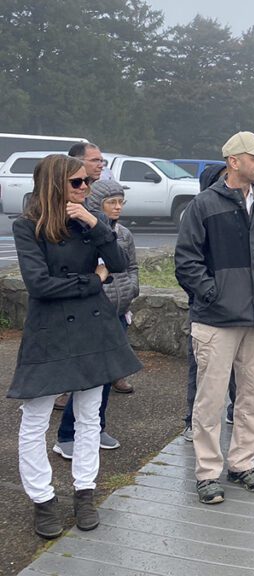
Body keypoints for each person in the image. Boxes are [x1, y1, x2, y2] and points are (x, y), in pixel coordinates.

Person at [7, 154, 142, 539]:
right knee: (34, 419)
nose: (86, 188)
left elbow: (116, 262)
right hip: (48, 332)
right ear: (55, 184)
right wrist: (92, 282)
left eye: (86, 182)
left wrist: (95, 223)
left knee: (89, 417)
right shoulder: (26, 226)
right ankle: (43, 500)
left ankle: (85, 493)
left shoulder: (89, 223)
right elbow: (40, 285)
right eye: (78, 183)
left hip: (92, 329)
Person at [174, 131, 254, 505]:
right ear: (234, 161)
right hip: (217, 321)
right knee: (209, 401)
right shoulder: (203, 206)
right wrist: (214, 295)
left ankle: (242, 465)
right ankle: (207, 473)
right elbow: (186, 262)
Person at [53, 179, 140, 459]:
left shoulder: (124, 233)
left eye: (121, 202)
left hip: (118, 314)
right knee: (85, 379)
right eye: (111, 202)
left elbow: (131, 266)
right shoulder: (83, 232)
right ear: (95, 204)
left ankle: (97, 427)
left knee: (104, 380)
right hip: (91, 313)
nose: (117, 207)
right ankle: (67, 434)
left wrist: (131, 291)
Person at [181, 163, 235, 441]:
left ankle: (235, 410)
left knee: (239, 368)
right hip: (206, 309)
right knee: (201, 368)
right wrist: (210, 293)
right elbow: (187, 264)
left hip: (242, 309)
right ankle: (192, 419)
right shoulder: (198, 211)